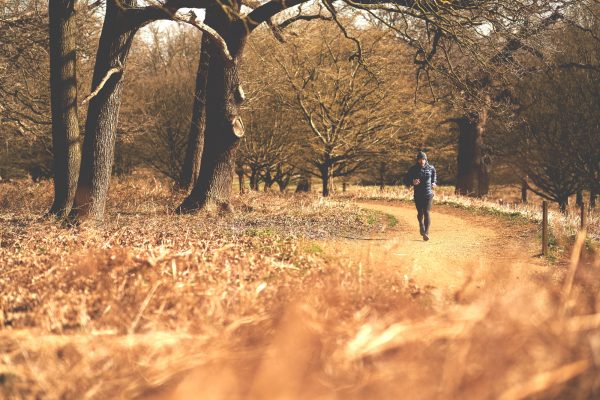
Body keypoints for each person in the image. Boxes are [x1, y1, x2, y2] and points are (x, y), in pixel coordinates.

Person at [404, 151, 437, 241]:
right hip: (418, 195)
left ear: (426, 160)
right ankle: (421, 225)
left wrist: (434, 182)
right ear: (417, 160)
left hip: (428, 194)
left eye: (423, 159)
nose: (422, 161)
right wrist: (412, 182)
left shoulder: (431, 168)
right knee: (420, 213)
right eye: (420, 159)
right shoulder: (413, 169)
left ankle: (426, 233)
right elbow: (406, 180)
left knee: (426, 212)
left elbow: (434, 176)